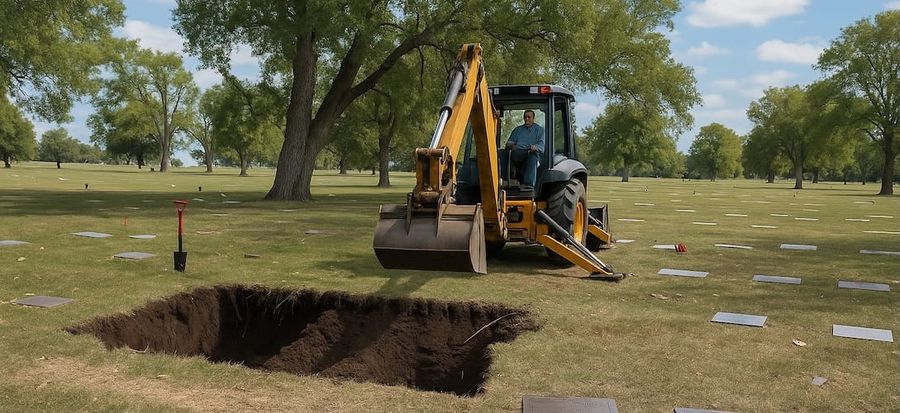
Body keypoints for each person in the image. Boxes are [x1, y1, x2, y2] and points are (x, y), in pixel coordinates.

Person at [500, 110, 544, 188]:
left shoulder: (540, 130)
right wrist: (510, 145)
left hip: (530, 153)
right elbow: (509, 143)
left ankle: (528, 185)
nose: (526, 119)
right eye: (525, 117)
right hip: (516, 153)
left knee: (533, 156)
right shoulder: (517, 130)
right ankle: (503, 180)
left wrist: (535, 147)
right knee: (502, 153)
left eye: (529, 117)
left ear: (533, 118)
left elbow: (541, 146)